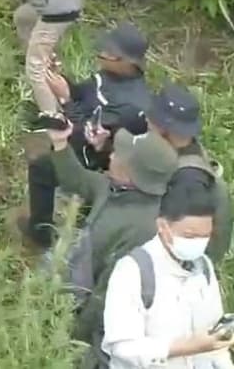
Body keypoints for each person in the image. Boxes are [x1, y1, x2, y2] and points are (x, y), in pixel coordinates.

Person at [46, 120, 179, 361]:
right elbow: (76, 181)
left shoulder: (144, 229)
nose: (112, 155)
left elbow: (105, 296)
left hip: (90, 308)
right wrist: (60, 142)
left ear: (131, 173)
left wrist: (74, 335)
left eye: (118, 154)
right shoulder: (115, 188)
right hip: (77, 272)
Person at [22, 23, 153, 250]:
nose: (101, 54)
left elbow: (90, 134)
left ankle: (40, 235)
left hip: (97, 160)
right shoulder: (109, 74)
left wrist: (65, 101)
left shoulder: (132, 105)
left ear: (127, 62)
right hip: (79, 140)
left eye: (109, 53)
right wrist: (60, 79)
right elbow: (82, 95)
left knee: (41, 169)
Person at [101, 183, 234, 368]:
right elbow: (122, 348)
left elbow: (216, 344)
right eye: (189, 235)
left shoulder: (203, 266)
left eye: (205, 236)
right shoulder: (133, 270)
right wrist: (185, 347)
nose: (198, 243)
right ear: (163, 226)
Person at [147, 83, 232, 263]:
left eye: (151, 120)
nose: (146, 123)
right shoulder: (188, 148)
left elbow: (182, 244)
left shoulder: (187, 181)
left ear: (164, 129)